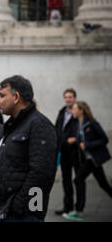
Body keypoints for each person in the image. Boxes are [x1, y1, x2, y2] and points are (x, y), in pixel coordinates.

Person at [0, 75, 57, 222]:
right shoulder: (14, 125)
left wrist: (20, 205)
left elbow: (41, 173)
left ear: (16, 97)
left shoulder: (39, 125)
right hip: (8, 210)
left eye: (2, 95)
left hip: (24, 214)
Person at [63, 101, 112, 221]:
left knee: (78, 179)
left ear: (81, 110)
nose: (72, 111)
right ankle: (78, 210)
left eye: (74, 109)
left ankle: (79, 212)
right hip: (88, 160)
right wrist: (75, 140)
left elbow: (104, 139)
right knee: (103, 184)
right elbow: (81, 138)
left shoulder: (92, 123)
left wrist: (87, 145)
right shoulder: (78, 124)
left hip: (93, 159)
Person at [54, 88, 80, 216]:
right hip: (63, 152)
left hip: (76, 152)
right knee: (66, 180)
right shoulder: (61, 112)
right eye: (66, 97)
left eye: (70, 97)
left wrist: (75, 139)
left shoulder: (79, 112)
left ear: (74, 98)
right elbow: (57, 129)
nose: (68, 99)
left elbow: (81, 128)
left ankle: (79, 208)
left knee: (79, 180)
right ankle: (67, 207)